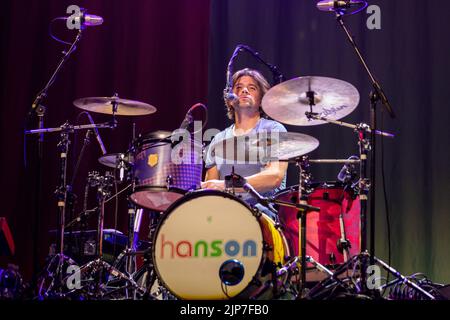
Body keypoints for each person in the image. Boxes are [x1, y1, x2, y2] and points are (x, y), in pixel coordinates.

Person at [201, 68, 288, 218]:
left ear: (261, 98)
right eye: (238, 88)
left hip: (262, 214)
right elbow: (211, 188)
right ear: (229, 99)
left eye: (252, 88)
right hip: (224, 214)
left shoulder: (273, 129)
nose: (244, 91)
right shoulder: (218, 140)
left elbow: (274, 176)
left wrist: (227, 186)